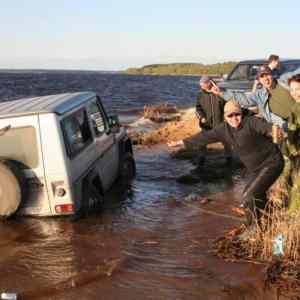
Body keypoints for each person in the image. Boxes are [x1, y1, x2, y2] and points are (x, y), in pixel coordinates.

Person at [183, 101, 284, 226]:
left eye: (237, 114)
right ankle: (267, 220)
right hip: (255, 168)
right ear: (225, 117)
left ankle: (253, 228)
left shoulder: (251, 122)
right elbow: (205, 137)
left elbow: (266, 127)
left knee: (249, 196)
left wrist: (275, 131)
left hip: (272, 162)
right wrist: (183, 143)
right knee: (250, 198)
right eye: (230, 116)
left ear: (241, 113)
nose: (234, 118)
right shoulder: (223, 129)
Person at [211, 66, 296, 129]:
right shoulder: (259, 95)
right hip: (285, 126)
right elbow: (242, 98)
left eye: (267, 75)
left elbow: (296, 72)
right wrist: (222, 93)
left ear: (272, 75)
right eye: (262, 76)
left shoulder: (284, 82)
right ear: (259, 80)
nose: (265, 79)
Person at [195, 76, 231, 165]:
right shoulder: (200, 94)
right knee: (202, 141)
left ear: (210, 82)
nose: (201, 86)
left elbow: (229, 104)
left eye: (203, 84)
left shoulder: (220, 91)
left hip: (221, 123)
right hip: (206, 124)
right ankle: (201, 158)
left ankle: (229, 158)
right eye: (201, 84)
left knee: (226, 141)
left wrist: (227, 118)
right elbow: (198, 108)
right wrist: (201, 117)